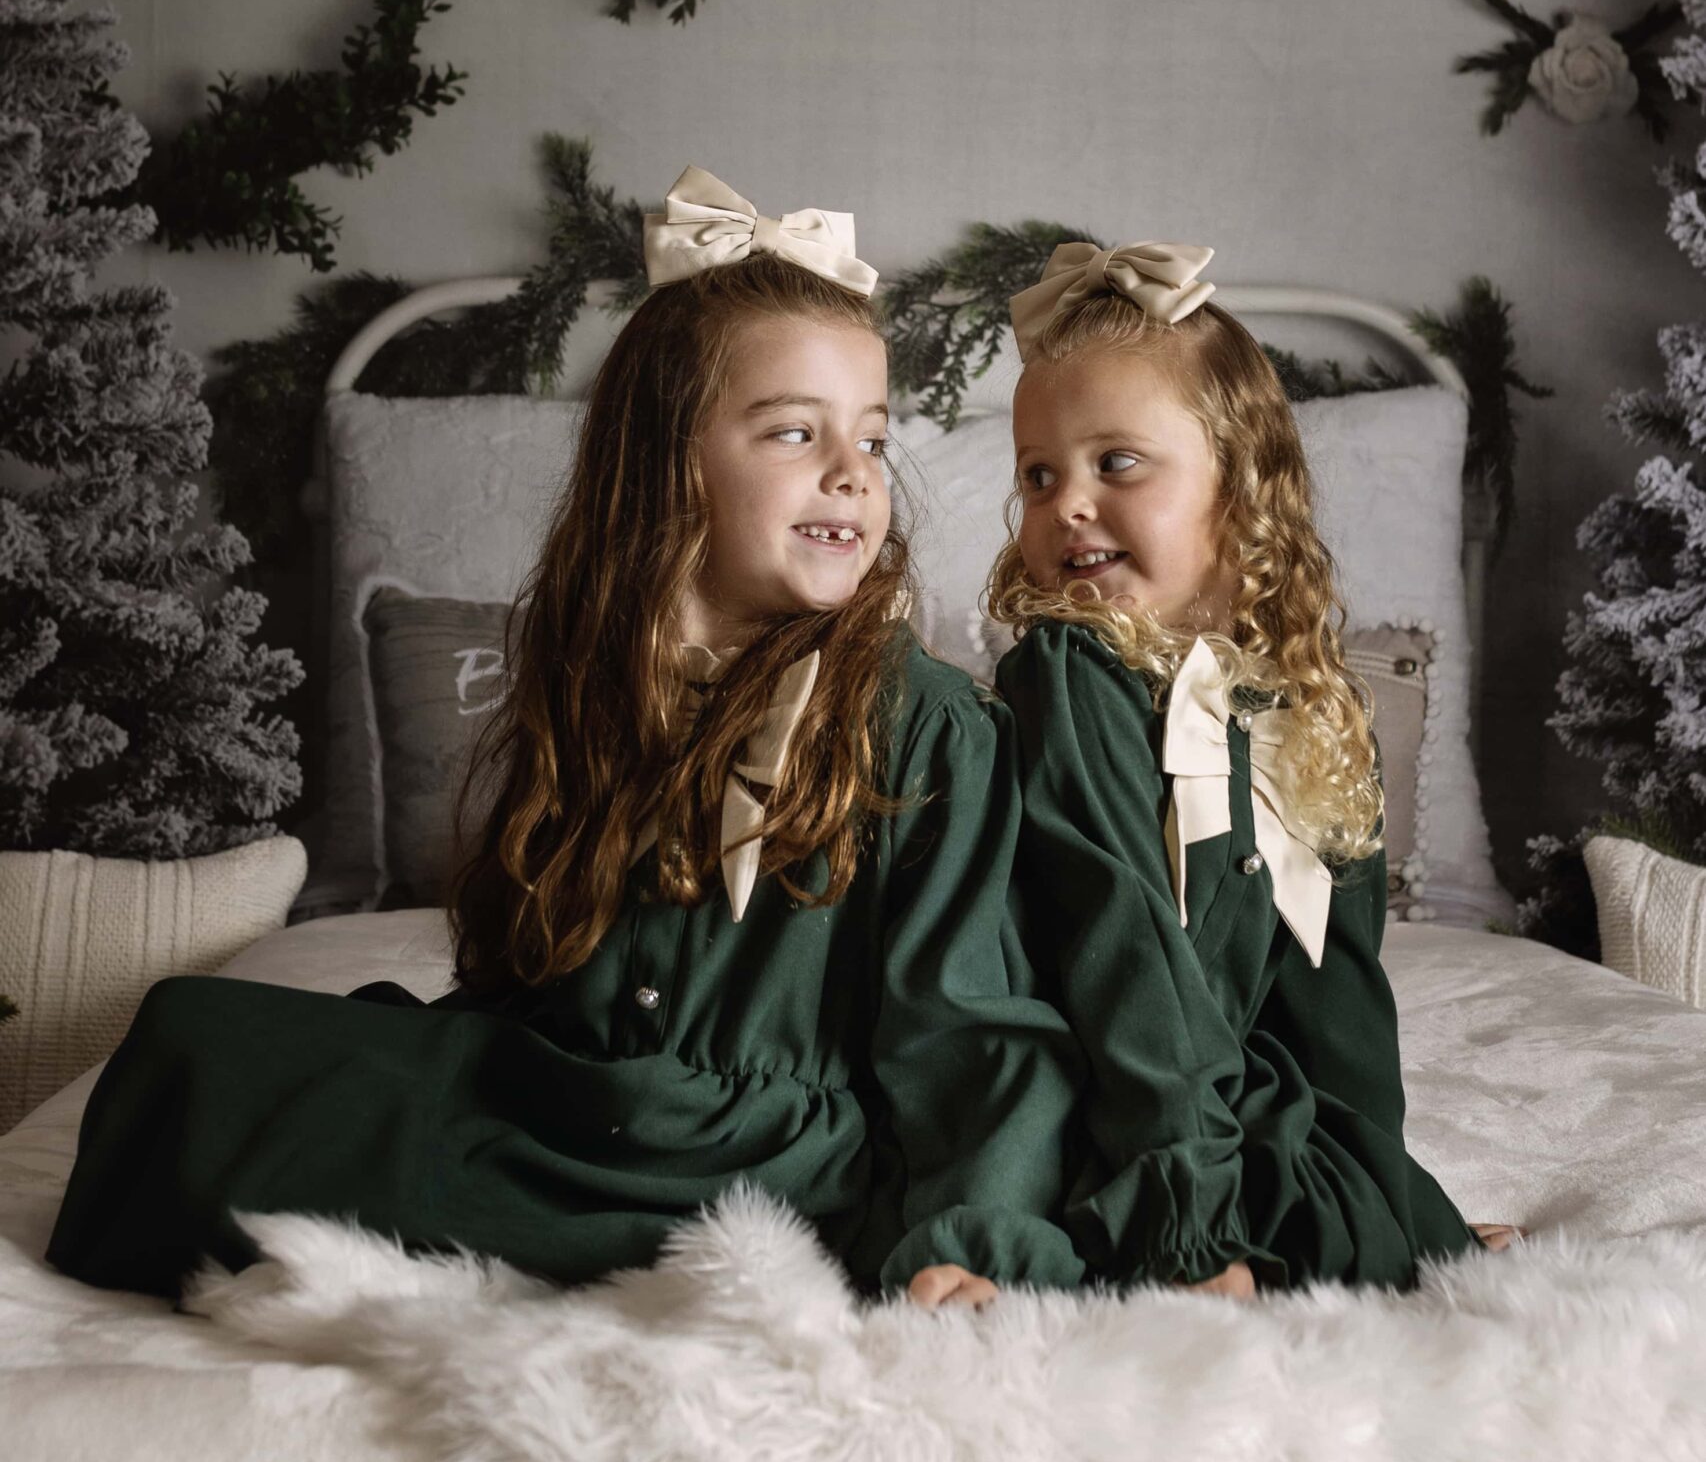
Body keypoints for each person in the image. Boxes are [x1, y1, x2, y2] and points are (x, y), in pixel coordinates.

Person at [48, 167, 1084, 1309]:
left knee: (239, 1104)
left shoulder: (917, 718)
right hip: (569, 1102)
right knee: (196, 1038)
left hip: (742, 1164)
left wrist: (971, 1241)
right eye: (794, 432)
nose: (851, 472)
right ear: (665, 462)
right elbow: (532, 970)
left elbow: (972, 1028)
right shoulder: (600, 675)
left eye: (873, 440)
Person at [986, 236, 1509, 1298]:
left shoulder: (1307, 711)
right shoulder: (1067, 674)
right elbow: (1116, 949)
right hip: (1095, 1083)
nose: (1065, 504)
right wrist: (1187, 1219)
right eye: (1038, 476)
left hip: (1213, 1092)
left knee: (1349, 1196)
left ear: (1238, 479)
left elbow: (1337, 1007)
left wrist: (1390, 1196)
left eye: (1115, 462)